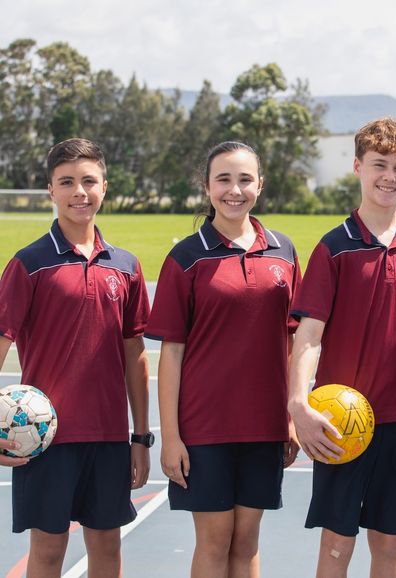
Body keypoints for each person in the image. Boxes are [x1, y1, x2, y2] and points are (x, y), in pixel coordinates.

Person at [288, 117, 396, 578]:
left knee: (390, 545)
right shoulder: (333, 248)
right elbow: (309, 335)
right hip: (343, 423)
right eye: (379, 164)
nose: (389, 176)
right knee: (337, 545)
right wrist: (298, 404)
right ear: (357, 167)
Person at [146, 141, 301, 578]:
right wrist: (171, 437)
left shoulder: (284, 252)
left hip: (264, 426)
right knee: (214, 543)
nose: (235, 190)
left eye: (245, 179)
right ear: (206, 186)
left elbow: (292, 343)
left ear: (261, 185)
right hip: (205, 428)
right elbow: (170, 354)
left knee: (247, 543)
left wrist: (289, 416)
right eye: (224, 180)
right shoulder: (187, 258)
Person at [0, 138, 152, 578]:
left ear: (105, 186)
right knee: (47, 553)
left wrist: (140, 437)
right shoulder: (29, 264)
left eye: (89, 181)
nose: (79, 192)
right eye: (67, 182)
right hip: (44, 438)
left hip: (108, 438)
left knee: (107, 550)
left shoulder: (125, 266)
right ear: (51, 190)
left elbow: (135, 356)